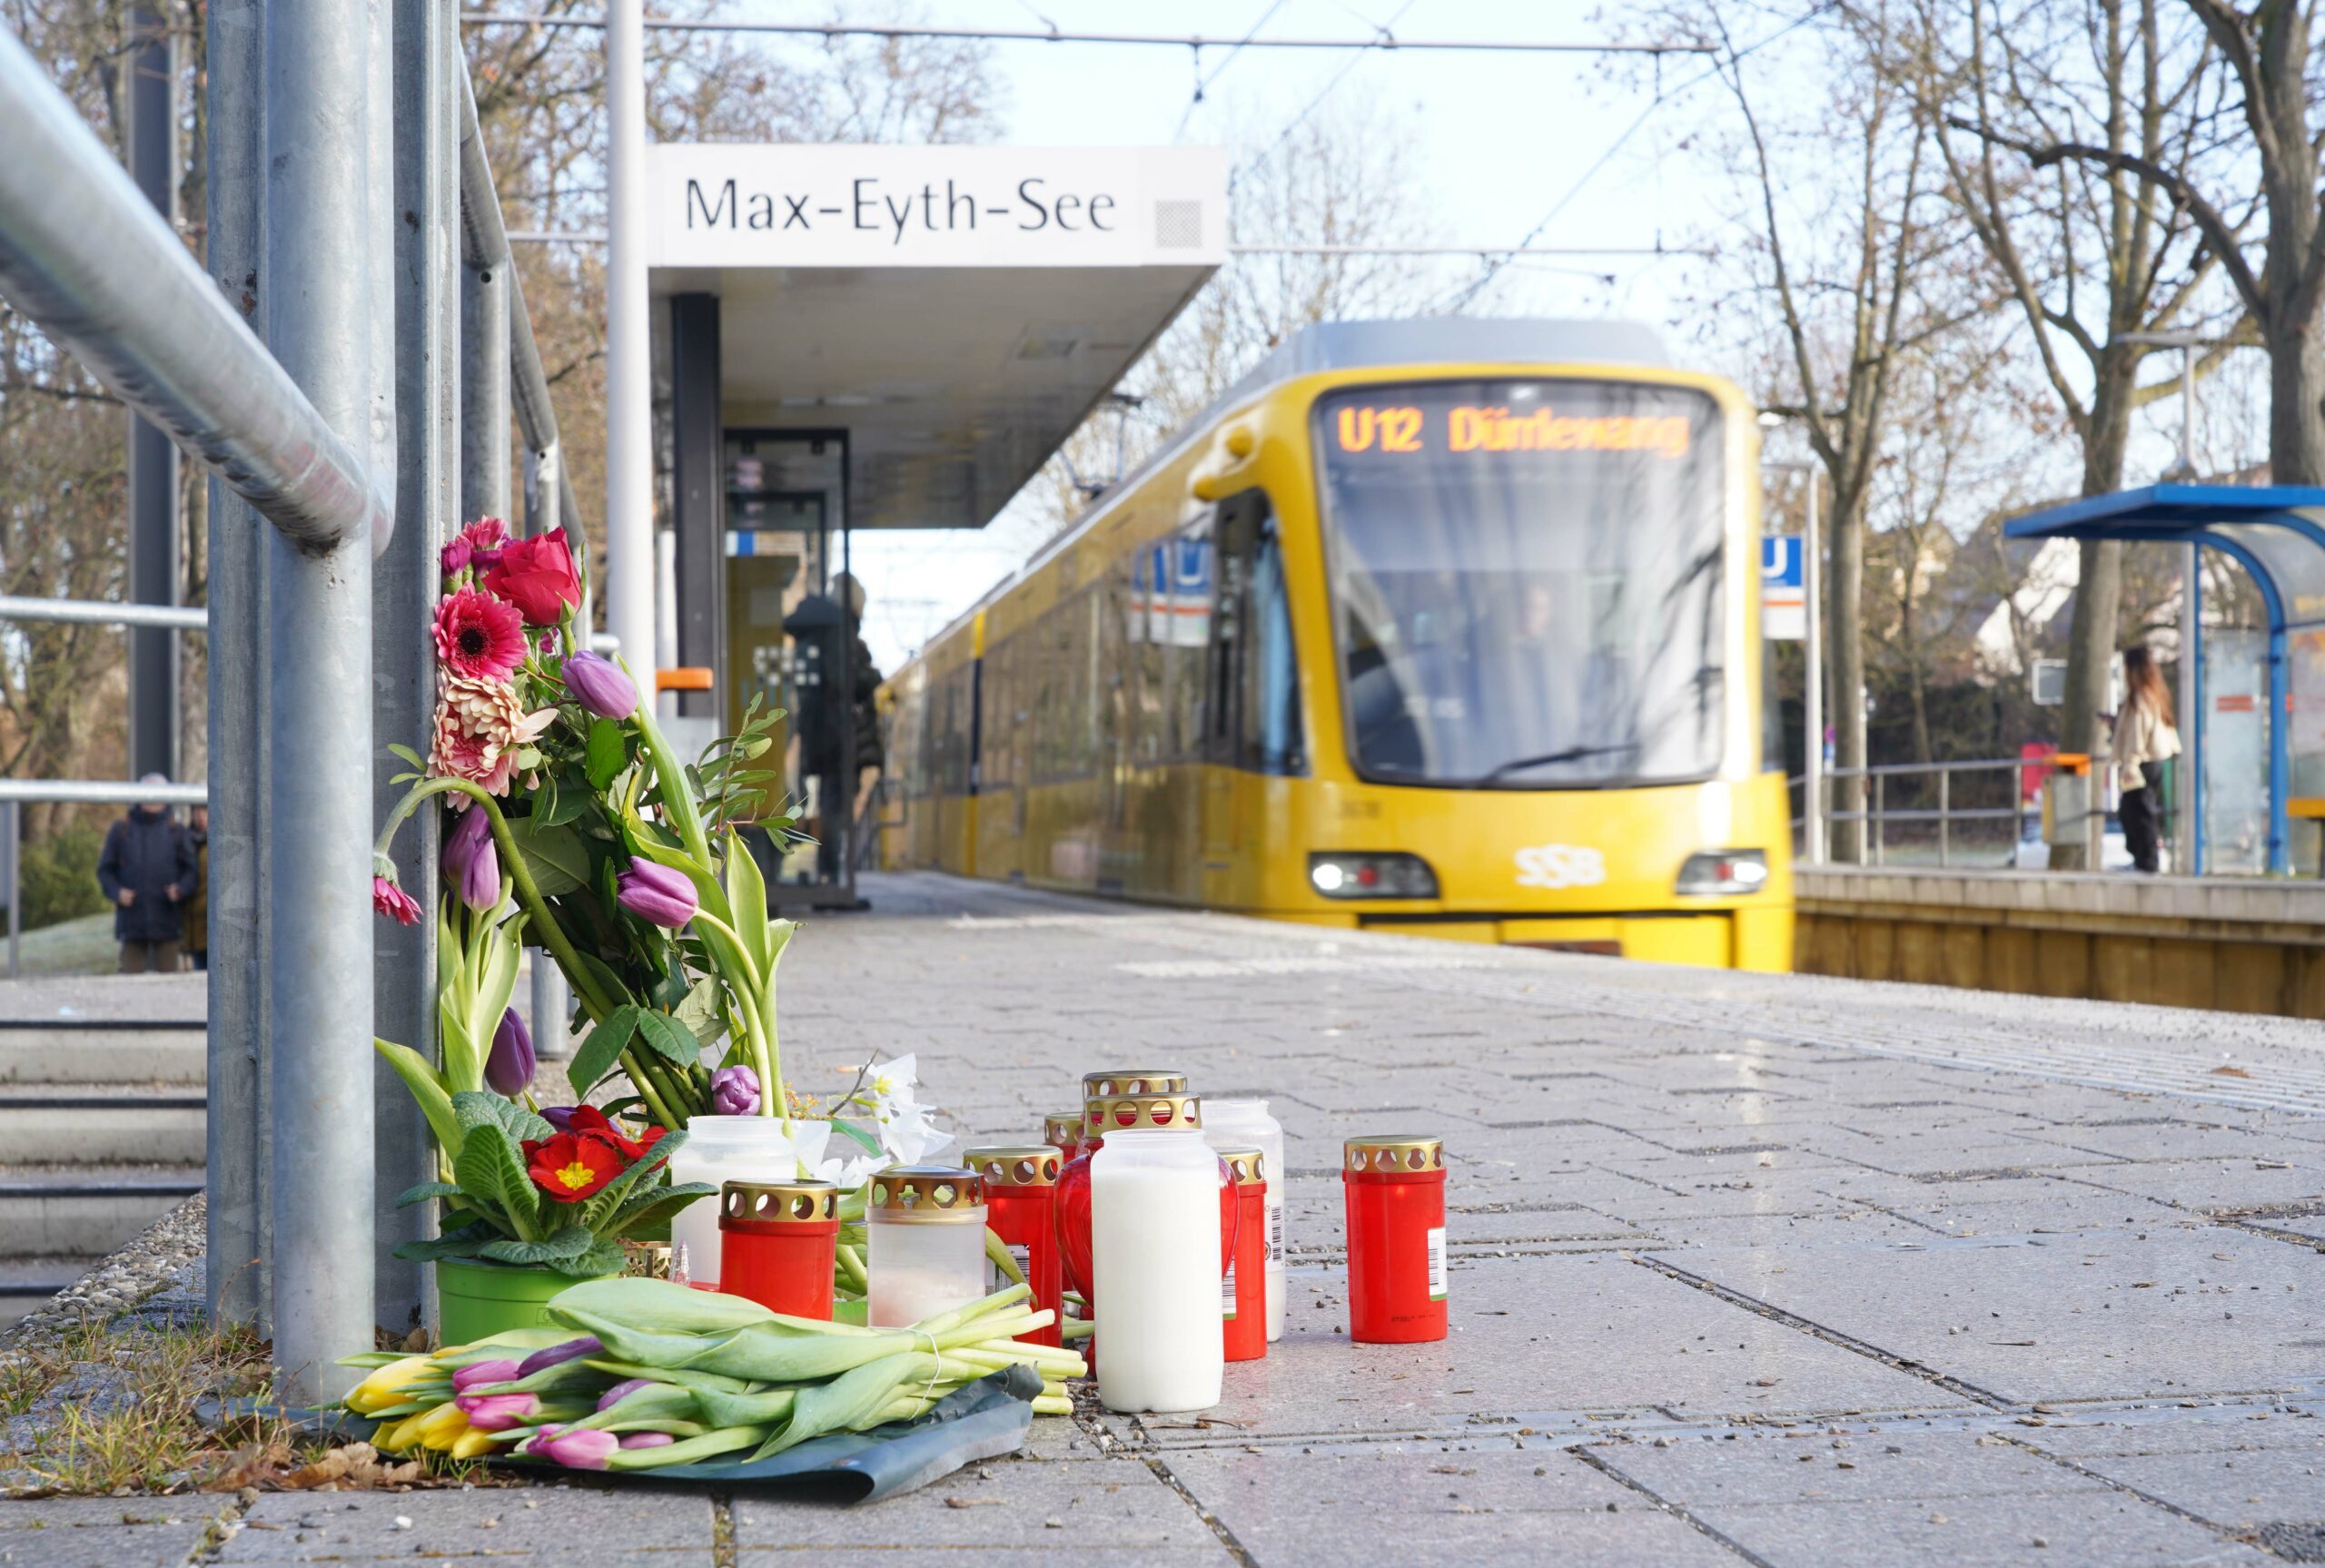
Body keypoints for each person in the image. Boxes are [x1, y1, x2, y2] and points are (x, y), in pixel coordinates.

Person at [96, 777, 197, 973]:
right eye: (147, 794)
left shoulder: (177, 831)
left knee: (170, 986)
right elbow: (105, 870)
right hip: (132, 924)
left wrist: (181, 889)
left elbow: (191, 872)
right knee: (130, 984)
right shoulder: (121, 830)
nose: (152, 800)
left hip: (168, 923)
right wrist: (117, 892)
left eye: (157, 794)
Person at [2112, 645, 2181, 875]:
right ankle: (2143, 859)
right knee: (2134, 810)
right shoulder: (2155, 694)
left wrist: (2129, 764)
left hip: (2142, 763)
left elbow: (2137, 735)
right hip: (2153, 760)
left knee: (2138, 811)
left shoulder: (2140, 699)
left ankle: (2147, 862)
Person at [182, 804, 210, 971]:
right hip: (192, 927)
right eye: (197, 811)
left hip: (212, 925)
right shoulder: (186, 841)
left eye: (205, 811)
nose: (200, 816)